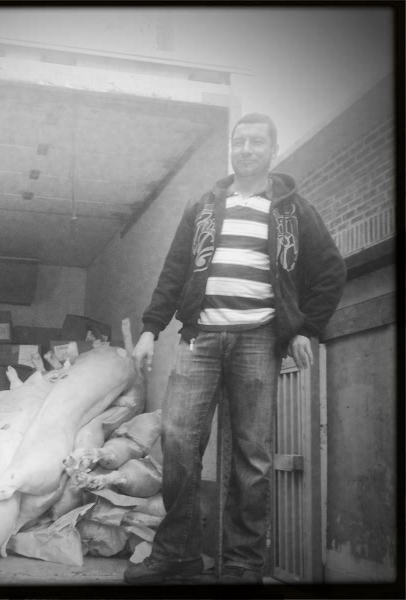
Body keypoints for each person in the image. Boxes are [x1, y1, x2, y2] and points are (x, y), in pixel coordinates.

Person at [123, 113, 346, 585]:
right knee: (178, 442)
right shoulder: (203, 206)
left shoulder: (293, 210)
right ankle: (178, 555)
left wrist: (305, 329)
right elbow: (174, 271)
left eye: (256, 142)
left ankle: (244, 564)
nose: (245, 149)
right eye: (239, 141)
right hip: (199, 338)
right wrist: (150, 329)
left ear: (272, 150)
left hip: (259, 339)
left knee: (253, 455)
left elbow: (330, 270)